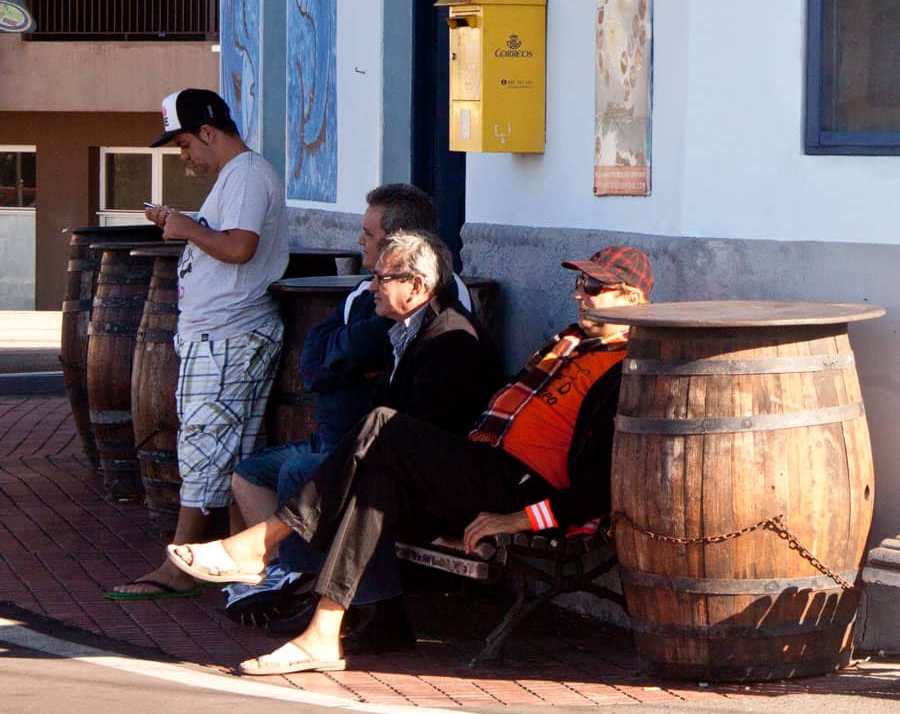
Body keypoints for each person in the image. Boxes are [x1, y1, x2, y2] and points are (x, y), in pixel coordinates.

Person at [166, 245, 653, 674]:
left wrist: (516, 520)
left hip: (521, 490)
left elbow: (597, 486)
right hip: (484, 468)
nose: (580, 294)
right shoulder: (568, 343)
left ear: (633, 299)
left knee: (383, 425)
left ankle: (264, 542)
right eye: (579, 283)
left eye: (594, 286)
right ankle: (323, 633)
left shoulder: (625, 371)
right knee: (375, 480)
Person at [227, 228, 499, 647]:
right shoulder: (408, 329)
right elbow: (323, 358)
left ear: (417, 285)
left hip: (446, 490)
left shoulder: (450, 340)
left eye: (382, 279)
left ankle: (339, 598)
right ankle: (330, 595)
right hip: (415, 472)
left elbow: (422, 433)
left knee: (359, 484)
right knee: (322, 472)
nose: (371, 286)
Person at [105, 87, 289, 600]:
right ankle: (233, 557)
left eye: (185, 144)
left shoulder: (248, 176)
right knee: (228, 454)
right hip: (222, 331)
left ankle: (180, 565)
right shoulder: (238, 177)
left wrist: (184, 227)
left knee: (205, 448)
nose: (183, 156)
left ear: (209, 132)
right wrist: (181, 223)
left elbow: (239, 246)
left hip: (229, 331)